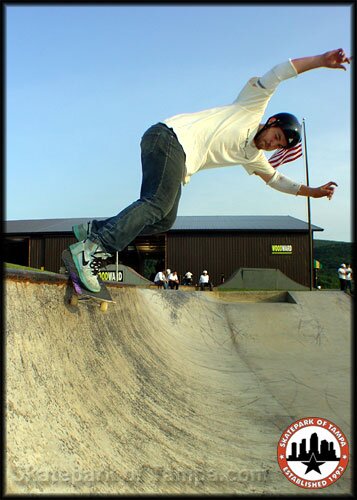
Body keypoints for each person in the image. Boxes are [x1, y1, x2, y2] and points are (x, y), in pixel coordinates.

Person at [68, 48, 351, 292]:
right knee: (156, 203)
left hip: (175, 157)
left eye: (276, 146)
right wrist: (320, 61)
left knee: (164, 220)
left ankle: (94, 229)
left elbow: (276, 179)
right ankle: (92, 248)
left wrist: (311, 192)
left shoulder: (252, 157)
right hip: (170, 138)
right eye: (275, 136)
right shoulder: (251, 108)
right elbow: (278, 73)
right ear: (271, 122)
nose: (270, 144)